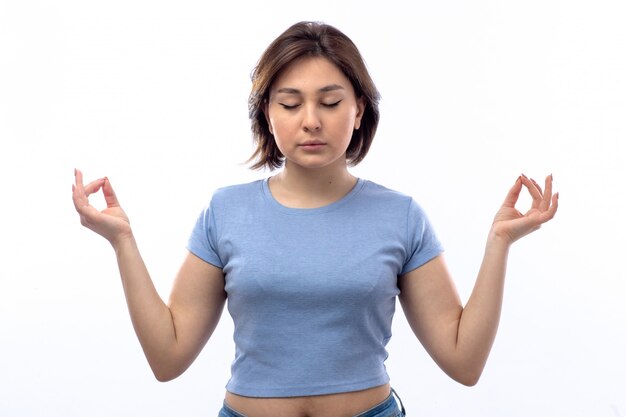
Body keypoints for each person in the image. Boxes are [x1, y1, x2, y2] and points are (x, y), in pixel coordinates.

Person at [72, 21, 558, 417]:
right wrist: (122, 242)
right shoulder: (225, 211)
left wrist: (500, 243)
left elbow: (464, 362)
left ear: (359, 109)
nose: (311, 120)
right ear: (266, 111)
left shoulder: (400, 216)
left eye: (330, 102)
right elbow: (168, 356)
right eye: (290, 103)